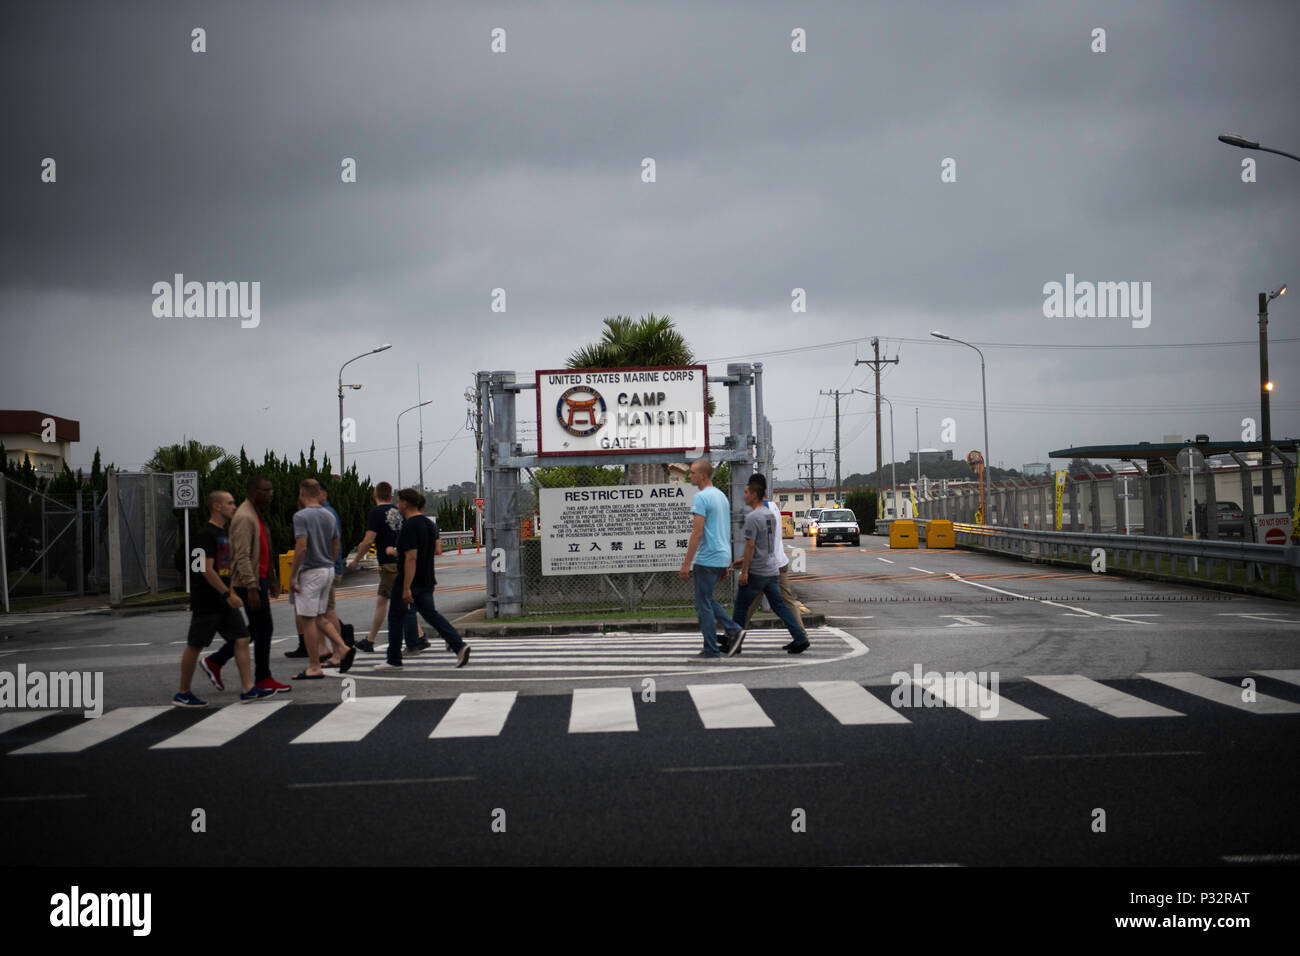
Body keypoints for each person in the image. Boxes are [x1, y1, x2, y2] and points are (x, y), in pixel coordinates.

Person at [172, 491, 275, 706]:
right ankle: (183, 692)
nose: (234, 506)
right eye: (230, 503)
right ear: (217, 506)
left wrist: (232, 593)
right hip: (208, 601)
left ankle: (248, 688)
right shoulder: (205, 535)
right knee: (195, 645)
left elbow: (224, 569)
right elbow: (205, 570)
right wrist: (227, 594)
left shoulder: (222, 533)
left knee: (242, 638)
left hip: (224, 600)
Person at [201, 475, 292, 694]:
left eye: (272, 490)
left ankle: (217, 661)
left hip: (257, 579)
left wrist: (271, 580)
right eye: (266, 490)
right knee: (263, 628)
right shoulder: (244, 516)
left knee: (256, 628)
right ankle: (261, 677)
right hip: (248, 582)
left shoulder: (254, 513)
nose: (271, 494)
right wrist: (252, 587)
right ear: (253, 491)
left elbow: (262, 550)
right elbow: (241, 555)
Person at [374, 488, 471, 670]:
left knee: (395, 617)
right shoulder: (428, 524)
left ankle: (394, 660)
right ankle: (459, 645)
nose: (397, 505)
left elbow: (411, 557)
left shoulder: (410, 526)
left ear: (406, 503)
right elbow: (428, 550)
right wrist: (395, 552)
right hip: (427, 578)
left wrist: (406, 587)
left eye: (399, 501)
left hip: (410, 580)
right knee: (431, 615)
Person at [732, 474, 810, 655]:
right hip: (777, 563)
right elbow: (770, 541)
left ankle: (734, 639)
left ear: (754, 491)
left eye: (747, 490)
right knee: (784, 603)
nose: (745, 495)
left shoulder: (759, 513)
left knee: (746, 605)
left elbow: (758, 544)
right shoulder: (773, 507)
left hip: (763, 566)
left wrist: (746, 566)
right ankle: (801, 636)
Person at [346, 481, 426, 654]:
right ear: (390, 496)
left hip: (389, 565)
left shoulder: (376, 513)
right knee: (382, 600)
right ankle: (370, 639)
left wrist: (356, 560)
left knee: (401, 602)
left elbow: (368, 541)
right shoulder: (400, 512)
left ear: (374, 495)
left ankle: (418, 637)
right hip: (401, 560)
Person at [288, 479, 355, 679]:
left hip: (310, 570)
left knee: (307, 619)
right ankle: (342, 648)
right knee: (320, 616)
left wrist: (293, 575)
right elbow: (336, 543)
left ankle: (314, 666)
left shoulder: (300, 516)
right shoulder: (329, 515)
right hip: (328, 568)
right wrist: (331, 562)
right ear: (318, 493)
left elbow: (301, 547)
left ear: (301, 493)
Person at [677, 457, 743, 659]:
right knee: (705, 600)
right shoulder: (721, 496)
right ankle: (731, 631)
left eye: (693, 472)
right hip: (721, 555)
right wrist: (724, 563)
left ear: (703, 475)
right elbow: (722, 529)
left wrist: (686, 563)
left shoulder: (701, 497)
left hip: (707, 557)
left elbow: (697, 532)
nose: (690, 475)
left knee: (702, 603)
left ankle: (715, 644)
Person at [318, 485, 353, 657]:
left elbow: (333, 543)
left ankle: (339, 650)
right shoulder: (325, 512)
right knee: (322, 611)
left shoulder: (326, 513)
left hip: (328, 568)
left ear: (324, 494)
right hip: (330, 567)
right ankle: (325, 648)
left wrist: (329, 567)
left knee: (326, 611)